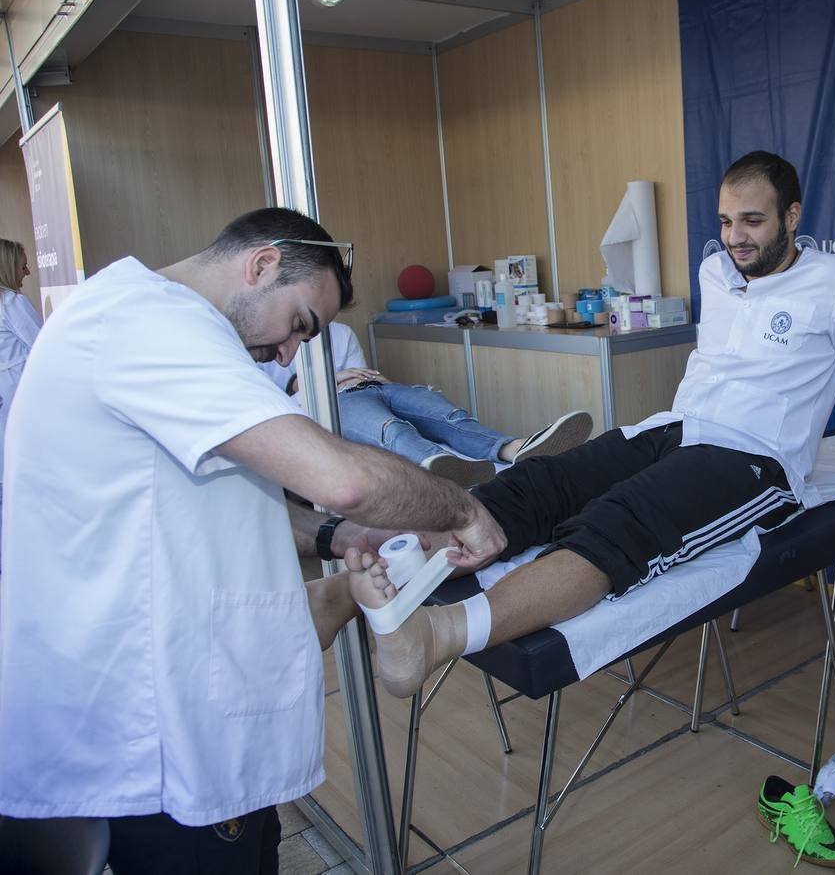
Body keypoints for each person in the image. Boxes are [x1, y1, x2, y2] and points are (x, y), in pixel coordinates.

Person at [0, 208, 506, 873]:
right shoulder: (145, 323)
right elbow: (341, 477)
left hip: (166, 703)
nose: (291, 352)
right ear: (262, 264)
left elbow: (209, 499)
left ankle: (327, 602)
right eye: (300, 324)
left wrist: (340, 533)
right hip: (147, 730)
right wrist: (461, 508)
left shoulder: (155, 324)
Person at [347, 150, 835, 696]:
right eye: (726, 221)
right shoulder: (716, 272)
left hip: (755, 459)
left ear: (792, 216)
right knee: (540, 484)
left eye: (751, 221)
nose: (734, 237)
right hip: (673, 428)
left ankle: (436, 633)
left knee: (617, 523)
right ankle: (376, 578)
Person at [261, 321, 592, 486]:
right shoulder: (269, 341)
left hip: (376, 386)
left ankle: (516, 448)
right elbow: (277, 400)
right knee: (391, 429)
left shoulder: (341, 332)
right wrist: (326, 380)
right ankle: (440, 463)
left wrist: (351, 378)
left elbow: (363, 373)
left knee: (447, 415)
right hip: (335, 403)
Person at [0, 238, 41, 563]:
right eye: (22, 265)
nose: (27, 272)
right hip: (15, 394)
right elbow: (43, 346)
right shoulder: (11, 303)